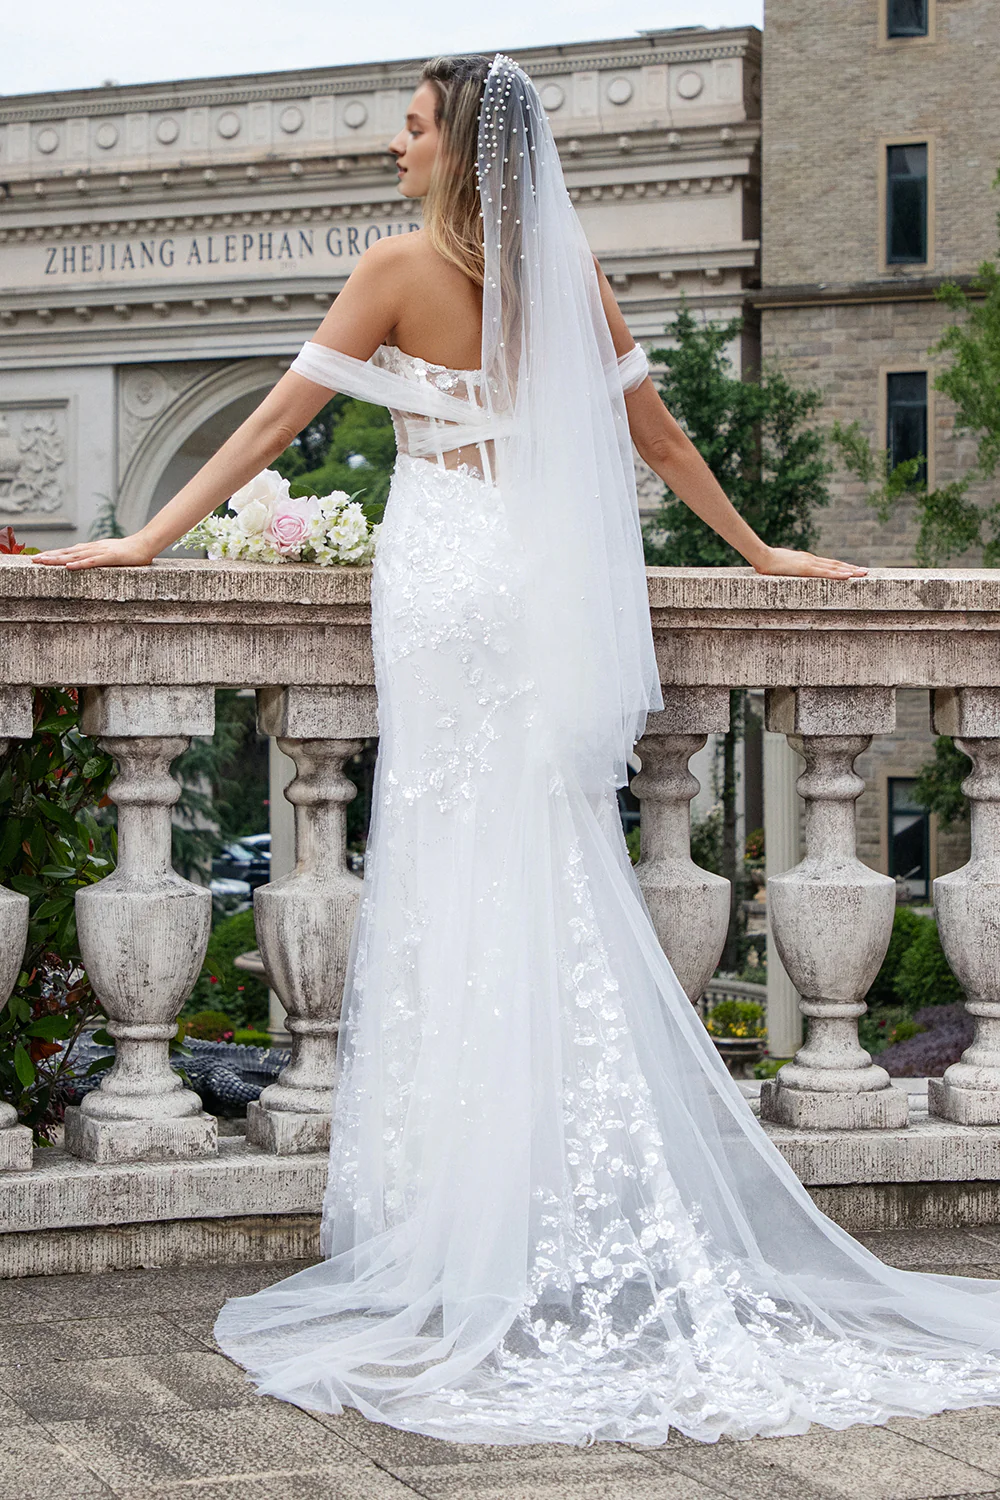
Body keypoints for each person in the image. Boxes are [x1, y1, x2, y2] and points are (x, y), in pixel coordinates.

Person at [33, 54, 1000, 1448]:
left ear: (463, 148)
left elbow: (267, 424)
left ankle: (464, 1219)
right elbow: (657, 438)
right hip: (524, 595)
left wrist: (143, 539)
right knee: (538, 870)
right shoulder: (571, 281)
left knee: (444, 866)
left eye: (413, 127)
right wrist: (758, 544)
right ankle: (544, 1201)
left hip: (440, 588)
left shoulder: (393, 271)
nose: (394, 146)